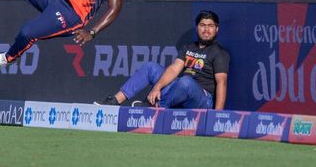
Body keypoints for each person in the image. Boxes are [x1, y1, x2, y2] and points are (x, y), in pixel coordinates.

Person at [95, 10, 229, 110]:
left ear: (216, 29)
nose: (206, 29)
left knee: (186, 81)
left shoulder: (219, 53)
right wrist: (157, 88)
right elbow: (174, 68)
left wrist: (216, 115)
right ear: (197, 28)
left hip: (202, 100)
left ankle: (156, 107)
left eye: (210, 26)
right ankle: (115, 101)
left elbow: (221, 83)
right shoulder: (188, 47)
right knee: (150, 67)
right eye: (202, 25)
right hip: (179, 92)